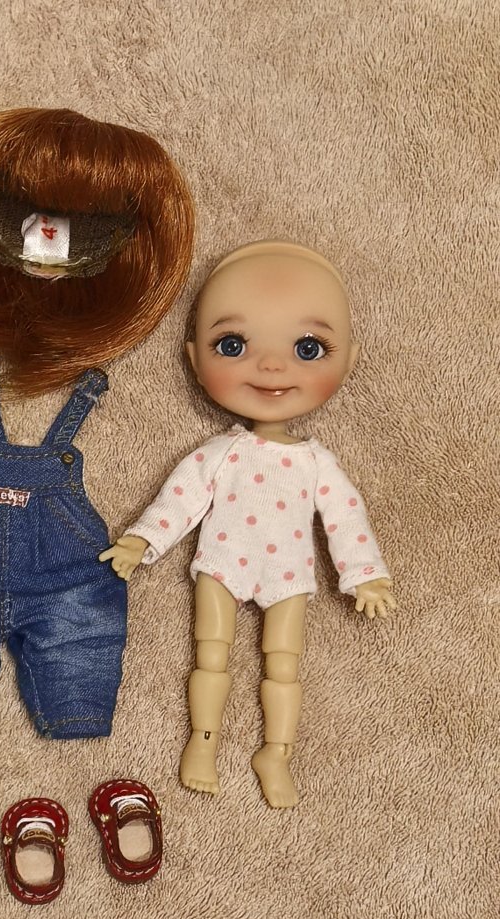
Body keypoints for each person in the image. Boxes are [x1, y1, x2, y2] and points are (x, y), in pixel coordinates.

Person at [100, 241, 397, 807]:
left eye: (308, 348)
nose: (272, 366)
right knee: (210, 654)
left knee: (284, 667)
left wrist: (364, 573)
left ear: (349, 359)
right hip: (222, 561)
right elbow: (181, 497)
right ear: (194, 359)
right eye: (232, 345)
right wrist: (144, 538)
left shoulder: (316, 462)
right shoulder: (223, 452)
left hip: (288, 572)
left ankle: (275, 752)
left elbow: (345, 516)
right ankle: (203, 741)